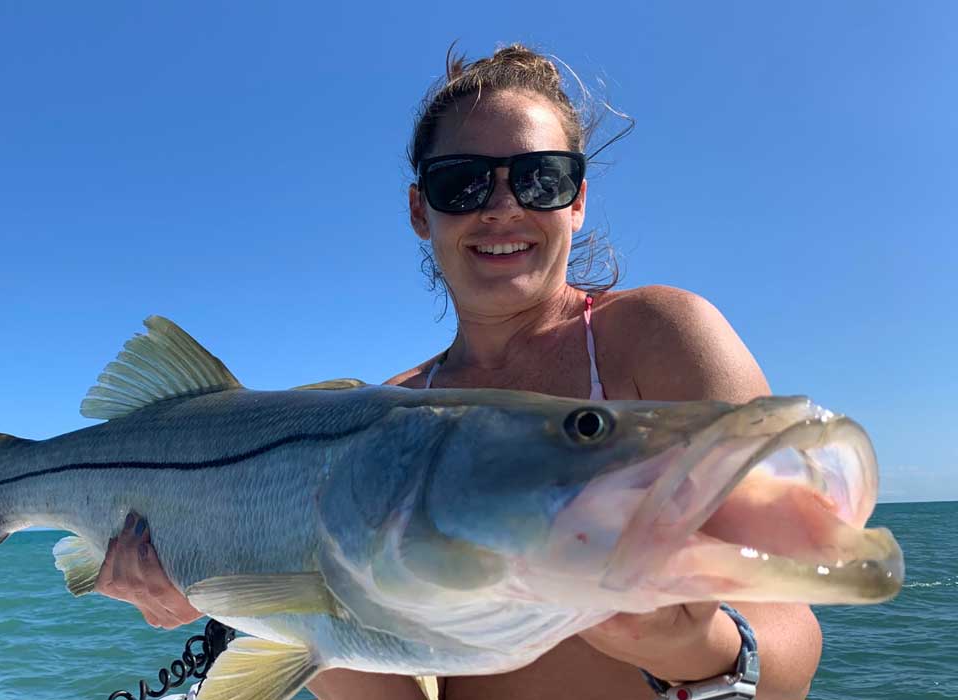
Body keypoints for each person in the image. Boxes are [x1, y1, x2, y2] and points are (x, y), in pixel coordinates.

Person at [94, 44, 823, 700]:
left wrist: (688, 647)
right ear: (421, 210)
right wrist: (241, 600)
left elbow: (792, 640)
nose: (502, 207)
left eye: (540, 178)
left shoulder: (660, 336)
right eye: (462, 183)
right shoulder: (391, 415)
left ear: (577, 200)